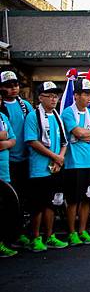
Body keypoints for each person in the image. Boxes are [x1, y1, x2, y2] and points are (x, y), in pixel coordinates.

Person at [24, 82, 69, 252]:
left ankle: (49, 235)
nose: (53, 99)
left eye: (55, 95)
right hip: (39, 169)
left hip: (55, 168)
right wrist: (54, 157)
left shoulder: (57, 116)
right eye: (49, 95)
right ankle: (35, 237)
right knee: (38, 205)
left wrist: (60, 159)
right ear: (40, 97)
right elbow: (32, 141)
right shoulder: (33, 116)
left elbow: (64, 142)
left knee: (52, 204)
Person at [61, 78, 90, 246]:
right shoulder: (67, 113)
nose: (89, 98)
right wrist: (88, 134)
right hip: (74, 162)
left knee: (88, 197)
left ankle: (83, 230)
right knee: (73, 199)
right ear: (76, 95)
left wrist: (86, 135)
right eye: (85, 94)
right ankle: (71, 232)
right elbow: (77, 132)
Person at [0, 70, 34, 249]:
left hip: (25, 158)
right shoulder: (1, 108)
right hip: (7, 161)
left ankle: (19, 232)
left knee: (22, 199)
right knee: (7, 201)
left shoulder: (25, 105)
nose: (13, 89)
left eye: (16, 85)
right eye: (8, 86)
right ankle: (8, 235)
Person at [0, 94, 17, 258]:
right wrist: (3, 136)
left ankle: (3, 242)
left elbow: (13, 139)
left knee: (3, 208)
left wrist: (4, 140)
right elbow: (6, 136)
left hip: (4, 170)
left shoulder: (3, 117)